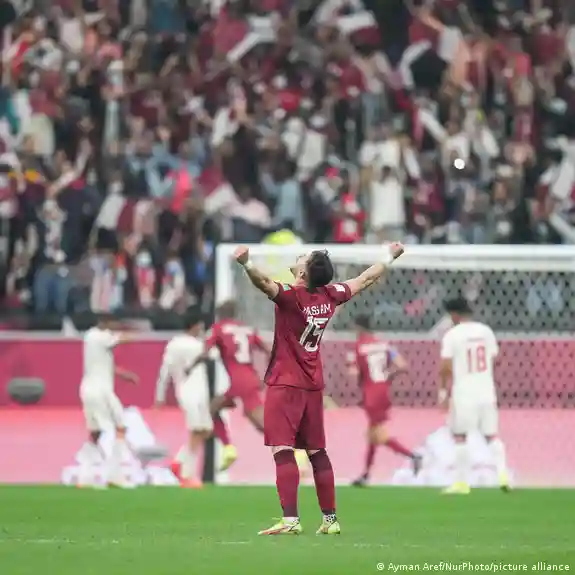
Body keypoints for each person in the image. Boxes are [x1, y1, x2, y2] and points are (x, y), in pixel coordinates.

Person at [233, 242, 405, 536]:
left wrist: (246, 263)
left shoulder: (291, 296)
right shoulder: (331, 295)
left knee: (282, 448)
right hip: (313, 385)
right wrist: (389, 256)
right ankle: (330, 519)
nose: (300, 256)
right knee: (316, 450)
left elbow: (263, 283)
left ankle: (290, 520)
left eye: (304, 257)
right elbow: (366, 279)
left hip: (285, 383)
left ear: (303, 272)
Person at [439, 296, 510, 494]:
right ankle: (503, 474)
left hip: (464, 392)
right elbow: (494, 357)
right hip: (486, 390)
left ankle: (462, 483)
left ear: (454, 315)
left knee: (460, 436)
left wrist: (443, 391)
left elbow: (445, 367)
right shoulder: (485, 331)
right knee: (491, 435)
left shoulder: (452, 335)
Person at [350, 315, 422, 487]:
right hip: (383, 390)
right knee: (372, 435)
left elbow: (355, 374)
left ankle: (413, 456)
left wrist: (360, 390)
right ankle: (365, 475)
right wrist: (388, 377)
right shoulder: (384, 344)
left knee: (378, 434)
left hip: (371, 393)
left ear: (358, 327)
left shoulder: (359, 347)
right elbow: (402, 365)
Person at [202, 300, 270, 471]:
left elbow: (205, 350)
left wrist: (194, 362)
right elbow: (270, 351)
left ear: (220, 315)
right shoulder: (248, 329)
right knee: (213, 407)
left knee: (262, 423)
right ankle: (228, 449)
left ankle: (297, 448)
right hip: (249, 379)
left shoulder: (218, 328)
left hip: (240, 382)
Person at [78, 314, 138, 488]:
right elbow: (124, 339)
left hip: (89, 389)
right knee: (117, 428)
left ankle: (85, 476)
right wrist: (139, 329)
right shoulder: (101, 336)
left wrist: (124, 375)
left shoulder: (90, 337)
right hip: (100, 391)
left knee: (96, 433)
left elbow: (103, 363)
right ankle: (113, 474)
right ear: (105, 322)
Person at [155, 308, 213, 488]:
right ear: (195, 326)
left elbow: (164, 370)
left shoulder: (173, 344)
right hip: (193, 392)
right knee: (197, 430)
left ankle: (179, 462)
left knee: (205, 430)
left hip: (189, 392)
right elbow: (214, 355)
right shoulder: (198, 345)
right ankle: (187, 474)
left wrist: (160, 395)